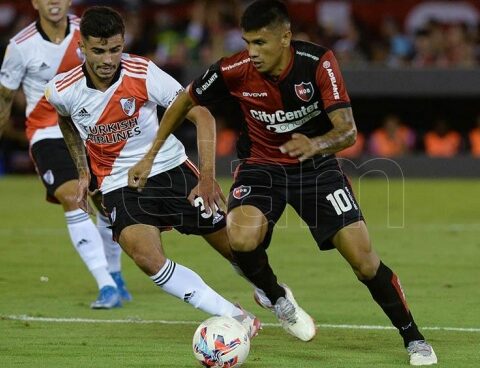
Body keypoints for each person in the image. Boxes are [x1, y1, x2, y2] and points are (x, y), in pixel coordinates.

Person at [129, 1, 437, 365]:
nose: (252, 52)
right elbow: (183, 102)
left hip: (317, 168)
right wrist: (150, 154)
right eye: (247, 42)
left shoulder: (318, 63)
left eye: (261, 43)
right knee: (240, 238)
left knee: (364, 262)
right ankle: (276, 297)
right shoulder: (233, 69)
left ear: (286, 37)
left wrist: (316, 143)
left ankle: (413, 338)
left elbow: (347, 131)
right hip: (262, 167)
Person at [44, 6, 260, 340]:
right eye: (98, 50)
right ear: (81, 48)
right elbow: (66, 120)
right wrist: (84, 171)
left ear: (124, 43)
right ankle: (234, 315)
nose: (107, 59)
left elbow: (201, 115)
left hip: (170, 166)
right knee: (146, 257)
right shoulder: (62, 89)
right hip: (118, 182)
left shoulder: (143, 73)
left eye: (115, 49)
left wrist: (205, 175)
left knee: (236, 248)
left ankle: (271, 292)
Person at [0, 0, 130, 309]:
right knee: (74, 196)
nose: (53, 1)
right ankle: (106, 285)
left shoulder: (89, 34)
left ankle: (115, 273)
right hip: (46, 134)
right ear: (34, 2)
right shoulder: (20, 47)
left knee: (108, 201)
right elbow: (4, 100)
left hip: (92, 130)